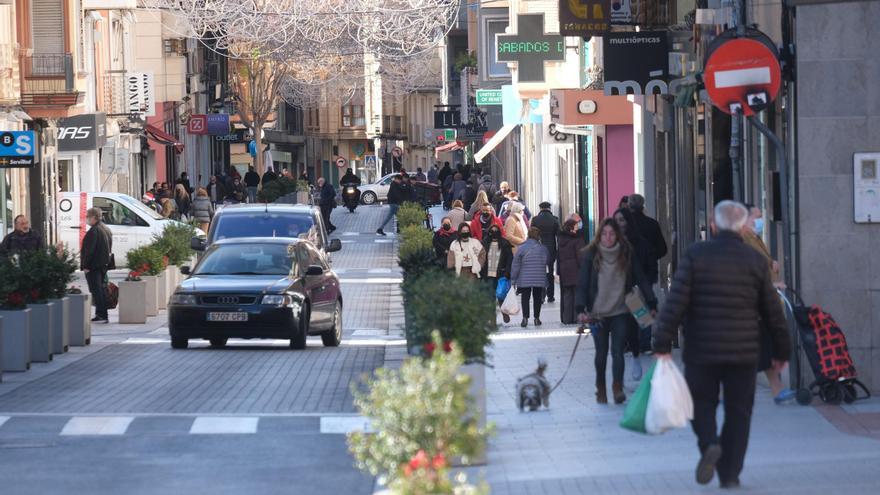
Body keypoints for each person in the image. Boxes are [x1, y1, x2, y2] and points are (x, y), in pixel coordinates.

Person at [652, 201, 790, 488]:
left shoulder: (695, 255)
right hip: (743, 351)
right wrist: (781, 350)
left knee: (701, 404)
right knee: (739, 411)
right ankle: (730, 474)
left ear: (713, 226)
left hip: (702, 350)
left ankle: (709, 443)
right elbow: (772, 311)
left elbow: (675, 303)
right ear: (742, 227)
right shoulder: (754, 260)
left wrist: (662, 344)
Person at [575, 218, 656, 405]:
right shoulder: (591, 255)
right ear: (599, 235)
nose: (608, 237)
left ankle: (617, 387)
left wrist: (652, 302)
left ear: (617, 235)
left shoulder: (626, 253)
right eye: (604, 234)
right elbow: (583, 284)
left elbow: (641, 279)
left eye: (612, 234)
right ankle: (601, 388)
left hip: (621, 310)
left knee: (618, 351)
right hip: (597, 314)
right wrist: (580, 309)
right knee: (601, 353)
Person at [743, 204, 794, 404]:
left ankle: (777, 390)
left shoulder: (754, 238)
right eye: (756, 216)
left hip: (762, 304)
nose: (760, 220)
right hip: (752, 304)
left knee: (765, 348)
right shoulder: (742, 240)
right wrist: (773, 283)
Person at [613, 207, 655, 380]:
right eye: (616, 220)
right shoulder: (609, 243)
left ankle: (637, 354)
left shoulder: (641, 243)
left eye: (622, 220)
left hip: (633, 292)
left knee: (635, 327)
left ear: (628, 222)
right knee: (617, 333)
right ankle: (618, 378)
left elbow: (649, 267)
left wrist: (646, 286)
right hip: (613, 295)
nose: (619, 224)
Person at [511, 227, 549, 328]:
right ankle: (537, 318)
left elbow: (516, 265)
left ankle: (525, 318)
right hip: (539, 277)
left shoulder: (521, 248)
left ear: (528, 235)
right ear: (538, 236)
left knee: (525, 298)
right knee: (537, 297)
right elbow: (547, 261)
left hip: (524, 278)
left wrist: (513, 279)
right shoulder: (543, 248)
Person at [81, 207, 113, 324]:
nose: (86, 219)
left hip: (94, 266)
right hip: (103, 264)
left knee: (97, 290)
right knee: (100, 289)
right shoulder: (105, 228)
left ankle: (101, 313)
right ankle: (101, 313)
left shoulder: (94, 231)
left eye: (88, 216)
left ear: (94, 217)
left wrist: (86, 265)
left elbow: (89, 251)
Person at [628, 193, 667, 284]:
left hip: (629, 271)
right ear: (642, 206)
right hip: (648, 271)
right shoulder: (652, 224)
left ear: (629, 206)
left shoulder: (625, 225)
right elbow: (662, 249)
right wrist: (650, 257)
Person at [481, 223, 514, 323]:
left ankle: (504, 312)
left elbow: (509, 259)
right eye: (492, 231)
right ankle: (493, 320)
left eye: (496, 231)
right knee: (490, 297)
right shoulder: (484, 243)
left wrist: (508, 272)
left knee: (500, 295)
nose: (494, 233)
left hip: (501, 274)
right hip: (488, 274)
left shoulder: (504, 243)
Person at [556, 219, 586, 324]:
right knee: (577, 293)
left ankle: (567, 318)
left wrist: (558, 271)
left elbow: (558, 257)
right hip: (576, 270)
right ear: (571, 227)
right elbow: (580, 257)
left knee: (567, 295)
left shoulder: (561, 240)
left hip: (565, 271)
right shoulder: (577, 240)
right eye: (576, 226)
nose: (578, 227)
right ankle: (575, 317)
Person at [531, 201, 560, 303]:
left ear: (540, 208)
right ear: (549, 208)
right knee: (550, 273)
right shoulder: (555, 220)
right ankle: (550, 296)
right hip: (551, 249)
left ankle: (541, 296)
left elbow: (532, 236)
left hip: (538, 248)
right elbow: (558, 236)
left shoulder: (535, 220)